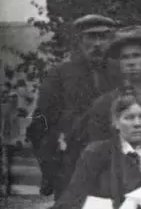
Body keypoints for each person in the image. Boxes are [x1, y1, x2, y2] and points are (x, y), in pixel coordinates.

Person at [27, 14, 118, 196]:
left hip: (113, 166)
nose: (97, 44)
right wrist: (51, 170)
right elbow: (41, 123)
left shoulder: (120, 74)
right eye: (91, 37)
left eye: (103, 37)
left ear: (111, 40)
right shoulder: (59, 75)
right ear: (79, 40)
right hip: (71, 165)